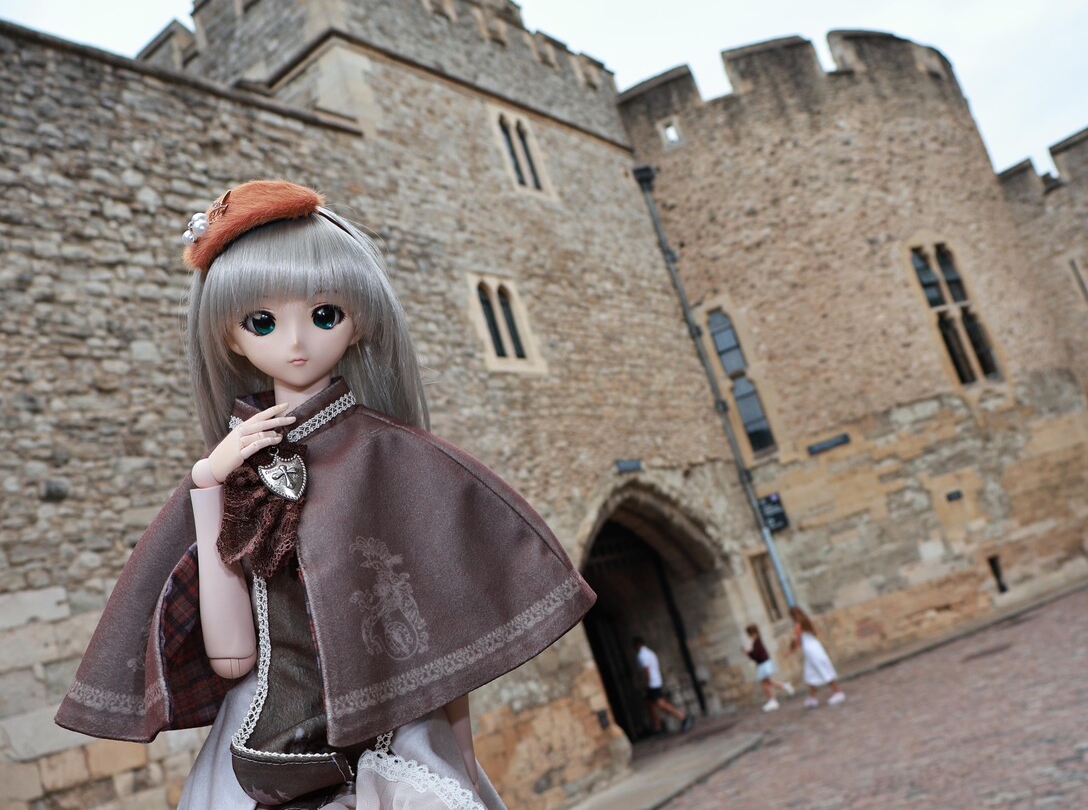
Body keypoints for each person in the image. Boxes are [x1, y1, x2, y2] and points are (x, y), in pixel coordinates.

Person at [55, 181, 596, 809]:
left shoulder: (393, 458)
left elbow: (440, 638)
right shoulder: (232, 468)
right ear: (231, 336)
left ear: (358, 320)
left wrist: (464, 760)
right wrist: (208, 486)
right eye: (262, 321)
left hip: (396, 737)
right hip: (266, 741)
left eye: (324, 315)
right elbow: (232, 659)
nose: (295, 343)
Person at [633, 636, 693, 733]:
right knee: (649, 704)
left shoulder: (642, 655)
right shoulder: (650, 653)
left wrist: (646, 683)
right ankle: (657, 726)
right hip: (656, 681)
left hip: (652, 683)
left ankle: (682, 717)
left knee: (661, 703)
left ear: (636, 645)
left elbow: (646, 670)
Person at [788, 607, 844, 707]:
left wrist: (791, 648)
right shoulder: (807, 622)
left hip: (810, 650)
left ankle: (837, 692)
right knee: (809, 674)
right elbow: (814, 633)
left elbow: (798, 642)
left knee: (823, 670)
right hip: (815, 647)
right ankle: (812, 698)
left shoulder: (798, 626)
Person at [743, 624, 794, 711]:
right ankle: (784, 686)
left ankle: (772, 700)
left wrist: (748, 653)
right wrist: (749, 653)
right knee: (767, 682)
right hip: (764, 663)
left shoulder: (756, 641)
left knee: (765, 683)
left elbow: (756, 655)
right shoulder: (757, 641)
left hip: (763, 664)